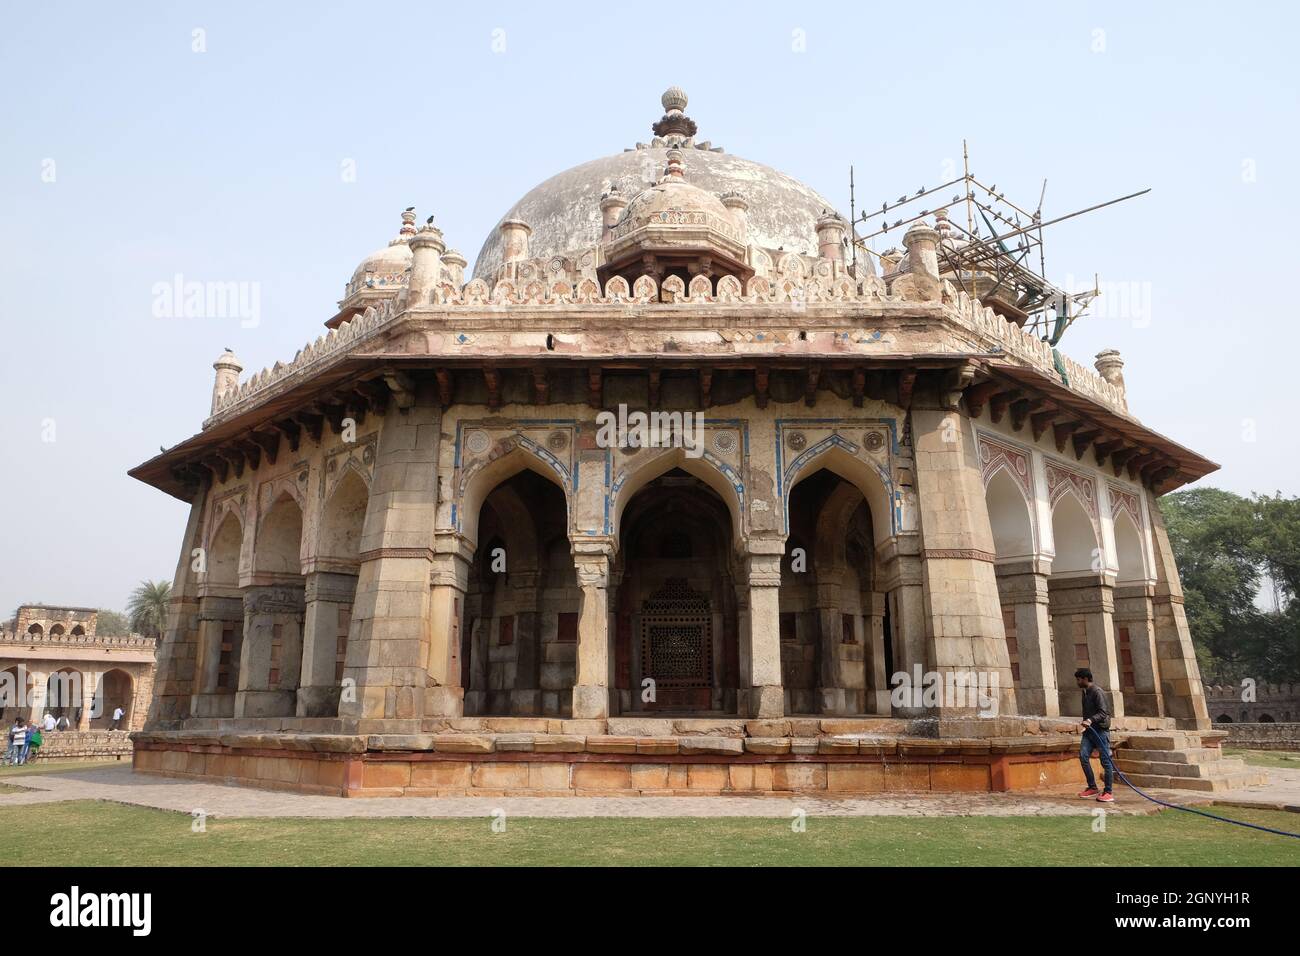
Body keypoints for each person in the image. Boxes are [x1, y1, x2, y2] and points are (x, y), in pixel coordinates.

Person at [1075, 667, 1116, 802]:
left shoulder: (1097, 692)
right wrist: (1085, 724)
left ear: (1086, 679)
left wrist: (1090, 720)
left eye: (1079, 679)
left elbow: (1104, 712)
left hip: (1100, 731)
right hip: (1089, 732)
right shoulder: (1085, 692)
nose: (1077, 682)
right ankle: (1092, 787)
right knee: (1083, 756)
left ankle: (1108, 792)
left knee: (1105, 761)